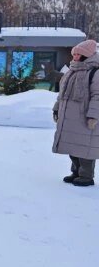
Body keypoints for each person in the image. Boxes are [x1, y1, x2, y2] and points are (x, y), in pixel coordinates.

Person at [53, 39, 99, 187]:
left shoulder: (95, 72)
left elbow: (97, 95)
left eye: (79, 54)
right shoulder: (71, 71)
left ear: (87, 56)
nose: (75, 56)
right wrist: (56, 108)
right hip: (69, 117)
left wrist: (93, 116)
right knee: (72, 146)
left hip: (85, 117)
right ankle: (76, 172)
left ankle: (86, 175)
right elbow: (62, 94)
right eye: (75, 53)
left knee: (85, 148)